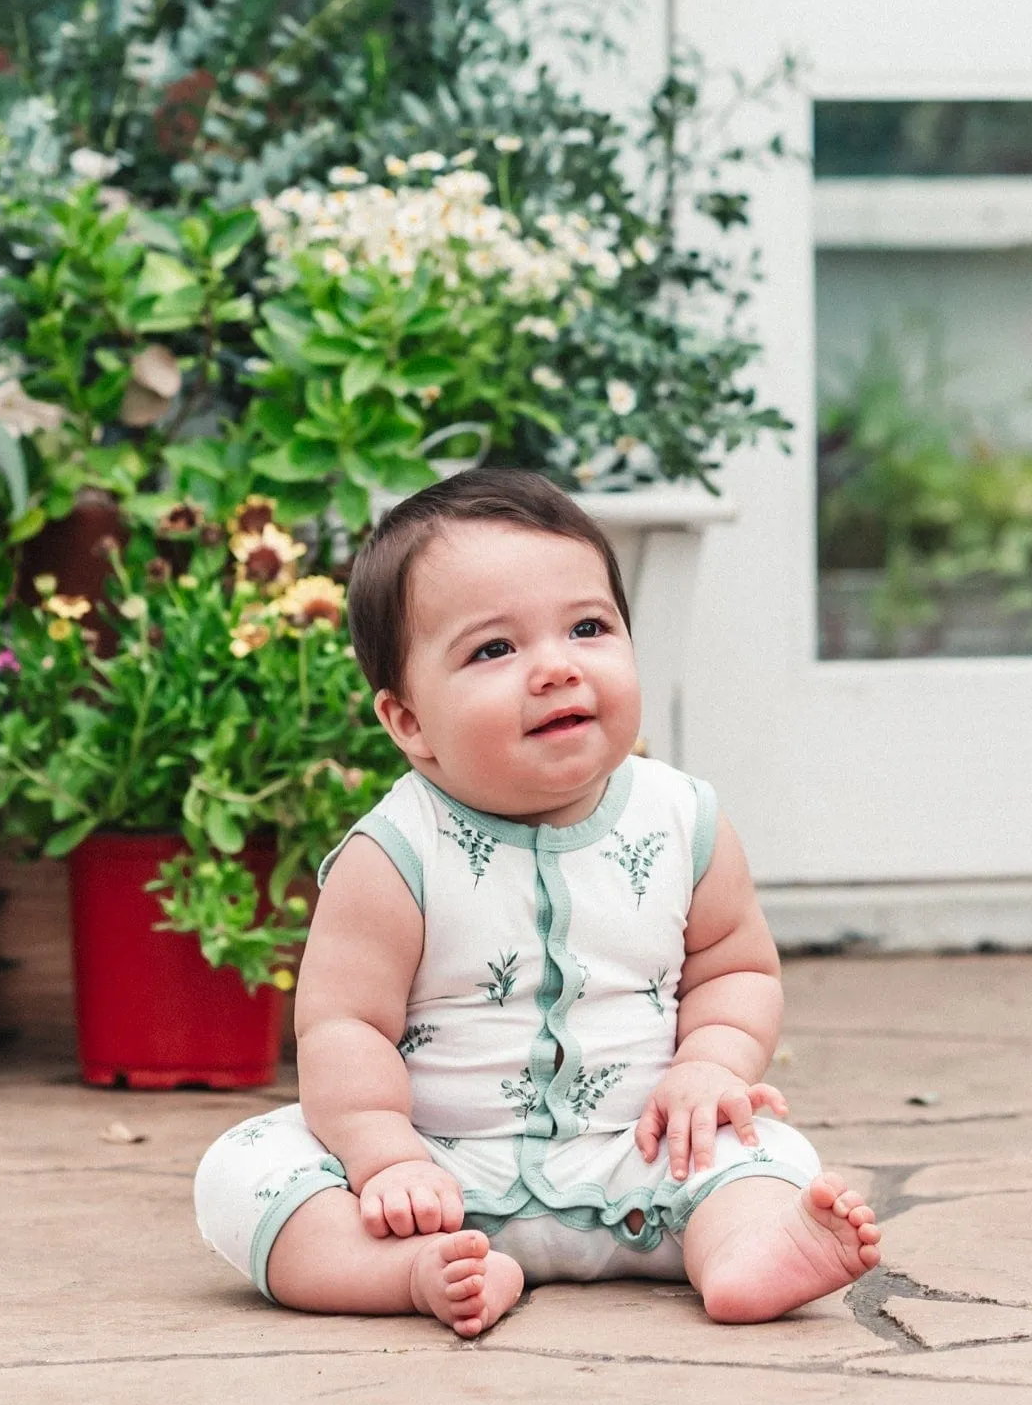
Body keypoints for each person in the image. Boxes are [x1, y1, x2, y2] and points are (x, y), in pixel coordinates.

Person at [194, 470, 879, 1335]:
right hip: (441, 1178)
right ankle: (416, 1272)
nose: (557, 667)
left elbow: (735, 967)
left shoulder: (683, 820)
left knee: (769, 1154)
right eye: (494, 650)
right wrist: (385, 1156)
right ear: (408, 721)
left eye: (588, 628)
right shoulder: (395, 853)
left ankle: (742, 1253)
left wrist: (710, 1067)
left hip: (645, 1161)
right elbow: (344, 1027)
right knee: (243, 1169)